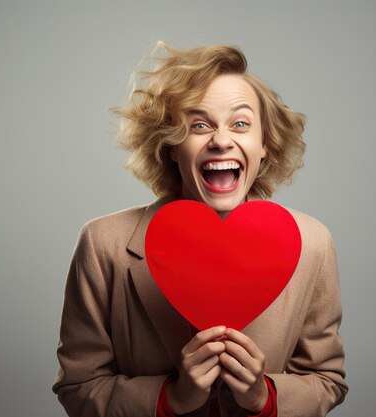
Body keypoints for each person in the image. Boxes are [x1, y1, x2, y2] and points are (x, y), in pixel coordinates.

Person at [52, 42, 348, 417]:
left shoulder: (313, 244)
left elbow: (327, 379)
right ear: (172, 147)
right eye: (199, 125)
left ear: (264, 146)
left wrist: (264, 397)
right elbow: (78, 386)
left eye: (240, 124)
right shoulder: (102, 244)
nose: (221, 140)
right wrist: (170, 399)